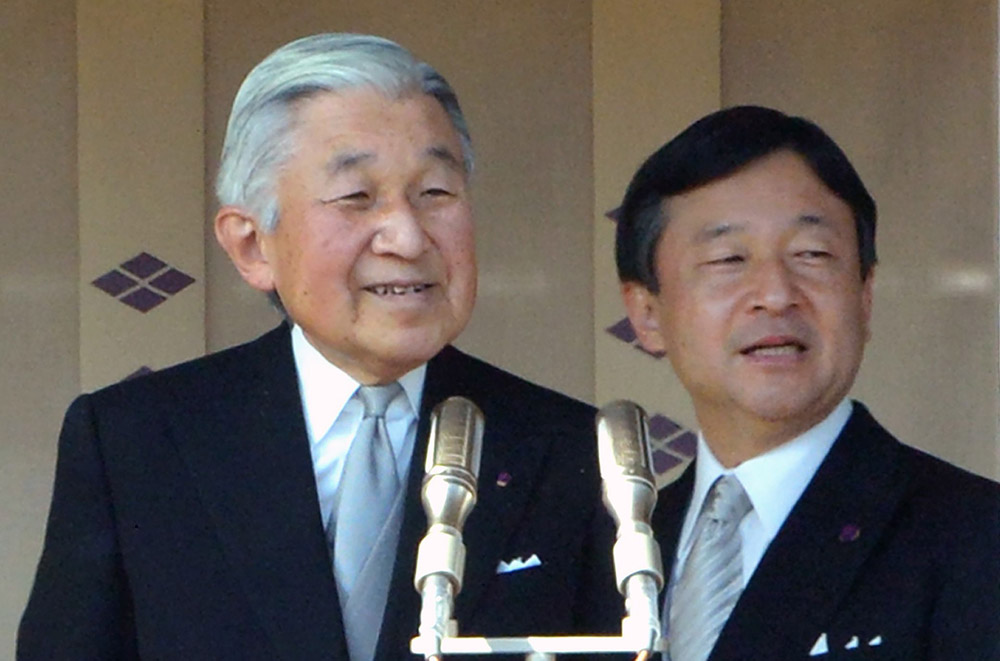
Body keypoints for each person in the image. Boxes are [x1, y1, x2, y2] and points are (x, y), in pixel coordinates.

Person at [18, 33, 621, 660]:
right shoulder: (136, 443)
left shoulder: (571, 451)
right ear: (252, 244)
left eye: (436, 193)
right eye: (357, 197)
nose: (407, 237)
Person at [615, 105, 1000, 660]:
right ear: (647, 313)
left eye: (812, 255)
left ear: (864, 295)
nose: (775, 293)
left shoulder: (976, 539)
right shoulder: (613, 552)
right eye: (728, 258)